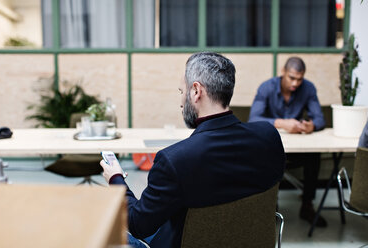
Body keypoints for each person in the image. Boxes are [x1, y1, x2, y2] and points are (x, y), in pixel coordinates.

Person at [100, 52, 286, 248]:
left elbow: (138, 225)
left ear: (196, 91)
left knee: (103, 230)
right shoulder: (269, 136)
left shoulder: (174, 160)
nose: (181, 103)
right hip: (251, 241)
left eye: (182, 91)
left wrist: (116, 178)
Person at [248, 56, 327, 227]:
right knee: (263, 157)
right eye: (292, 78)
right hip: (272, 148)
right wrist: (281, 123)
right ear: (283, 72)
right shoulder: (266, 87)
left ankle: (307, 206)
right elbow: (253, 119)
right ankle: (271, 206)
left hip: (299, 148)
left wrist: (311, 126)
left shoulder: (308, 88)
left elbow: (320, 119)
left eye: (300, 79)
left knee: (314, 156)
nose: (296, 83)